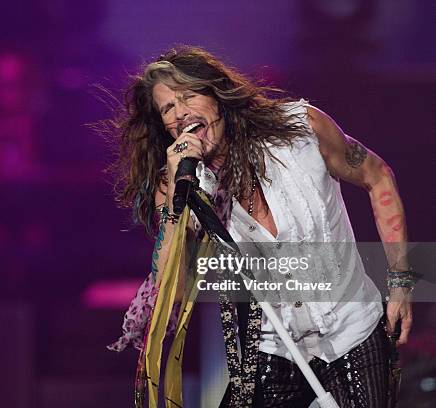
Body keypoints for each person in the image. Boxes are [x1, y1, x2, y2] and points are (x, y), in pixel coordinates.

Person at [105, 46, 413, 407]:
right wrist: (177, 190)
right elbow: (172, 284)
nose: (180, 112)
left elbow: (379, 178)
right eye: (167, 108)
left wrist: (401, 282)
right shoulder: (181, 187)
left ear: (217, 94)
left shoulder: (302, 131)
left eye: (188, 96)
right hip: (275, 347)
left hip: (353, 332)